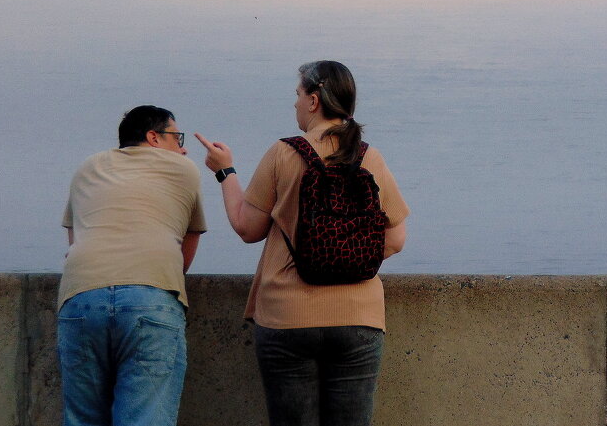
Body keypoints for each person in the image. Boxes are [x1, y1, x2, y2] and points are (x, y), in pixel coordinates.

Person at [196, 60, 409, 426]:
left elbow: (248, 228)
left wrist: (225, 172)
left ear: (314, 101)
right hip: (358, 316)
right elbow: (396, 239)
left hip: (288, 316)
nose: (294, 103)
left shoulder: (284, 153)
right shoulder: (369, 156)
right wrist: (346, 258)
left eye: (297, 95)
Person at [57, 105, 207, 426]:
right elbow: (188, 241)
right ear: (153, 137)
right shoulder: (182, 168)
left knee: (82, 418)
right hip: (150, 297)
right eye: (176, 137)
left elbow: (75, 235)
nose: (182, 147)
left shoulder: (88, 166)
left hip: (82, 294)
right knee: (145, 418)